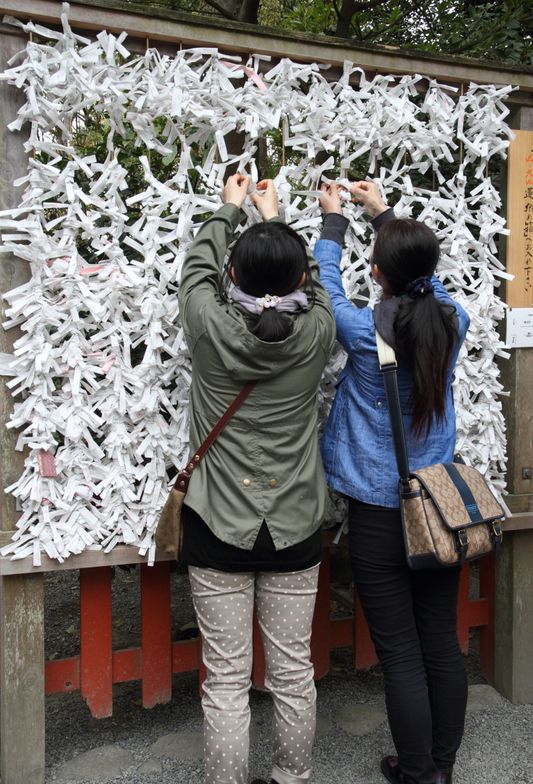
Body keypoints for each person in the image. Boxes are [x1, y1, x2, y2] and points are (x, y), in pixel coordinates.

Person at [178, 173, 336, 784]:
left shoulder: (210, 329)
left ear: (233, 279)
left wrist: (233, 209)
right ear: (297, 278)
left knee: (226, 676)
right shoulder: (318, 333)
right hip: (295, 523)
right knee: (294, 671)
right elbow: (316, 287)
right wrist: (276, 221)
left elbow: (196, 272)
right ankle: (291, 778)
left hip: (218, 520)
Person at [315, 180, 470, 784]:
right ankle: (442, 768)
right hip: (439, 506)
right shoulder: (452, 318)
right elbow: (421, 273)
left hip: (381, 513)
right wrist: (385, 214)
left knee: (401, 650)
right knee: (439, 641)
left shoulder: (362, 331)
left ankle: (416, 772)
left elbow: (328, 294)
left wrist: (334, 226)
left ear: (375, 273)